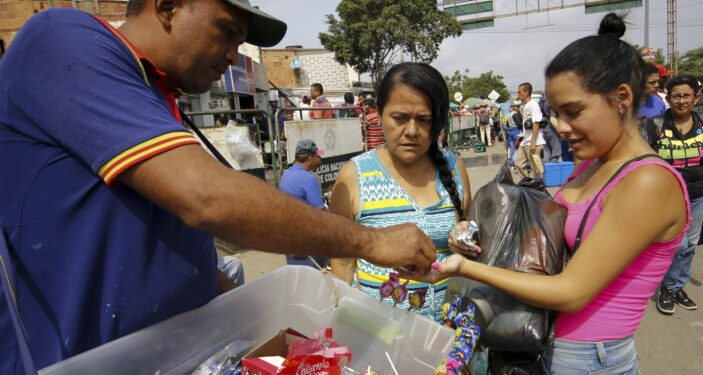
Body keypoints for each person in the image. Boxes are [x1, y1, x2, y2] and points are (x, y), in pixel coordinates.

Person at [0, 2, 437, 371]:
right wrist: (370, 241)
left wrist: (279, 335)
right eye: (227, 32)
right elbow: (206, 199)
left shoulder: (157, 96)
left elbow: (176, 254)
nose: (233, 55)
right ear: (168, 5)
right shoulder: (61, 39)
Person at [420, 13, 689, 373]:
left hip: (586, 359)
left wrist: (468, 268)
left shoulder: (648, 183)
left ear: (621, 97)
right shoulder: (592, 163)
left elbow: (572, 292)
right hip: (538, 342)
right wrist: (477, 237)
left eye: (573, 112)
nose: (561, 127)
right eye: (555, 113)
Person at [330, 62, 472, 320]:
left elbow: (467, 246)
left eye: (424, 120)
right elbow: (342, 263)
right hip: (378, 337)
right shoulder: (354, 176)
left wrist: (466, 245)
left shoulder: (455, 169)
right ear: (380, 114)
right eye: (399, 118)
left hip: (449, 336)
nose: (411, 131)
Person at [642, 74, 703, 315]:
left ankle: (677, 287)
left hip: (700, 192)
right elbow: (642, 160)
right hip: (667, 196)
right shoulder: (655, 124)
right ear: (668, 97)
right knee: (677, 243)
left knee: (690, 244)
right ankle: (667, 287)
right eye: (676, 96)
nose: (682, 101)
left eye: (687, 95)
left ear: (696, 97)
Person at [279, 140, 329, 268]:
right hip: (306, 242)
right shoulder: (309, 178)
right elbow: (321, 213)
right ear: (310, 157)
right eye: (317, 156)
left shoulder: (286, 175)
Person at [514, 82, 545, 179]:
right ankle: (527, 183)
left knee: (535, 169)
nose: (518, 95)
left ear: (527, 92)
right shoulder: (525, 106)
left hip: (534, 142)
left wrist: (532, 143)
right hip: (525, 142)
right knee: (518, 163)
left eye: (519, 92)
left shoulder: (533, 105)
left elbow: (536, 123)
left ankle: (538, 189)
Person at [539, 93, 563, 162]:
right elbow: (553, 119)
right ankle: (553, 170)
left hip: (544, 128)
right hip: (552, 128)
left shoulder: (543, 98)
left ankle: (548, 170)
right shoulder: (551, 98)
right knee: (556, 153)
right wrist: (561, 132)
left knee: (547, 152)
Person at [505, 100, 523, 166]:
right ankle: (516, 162)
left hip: (510, 132)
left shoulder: (509, 114)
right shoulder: (516, 114)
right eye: (517, 106)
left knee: (512, 148)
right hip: (516, 131)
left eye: (519, 106)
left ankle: (512, 163)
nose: (518, 107)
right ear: (513, 107)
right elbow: (519, 124)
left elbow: (507, 124)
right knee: (517, 148)